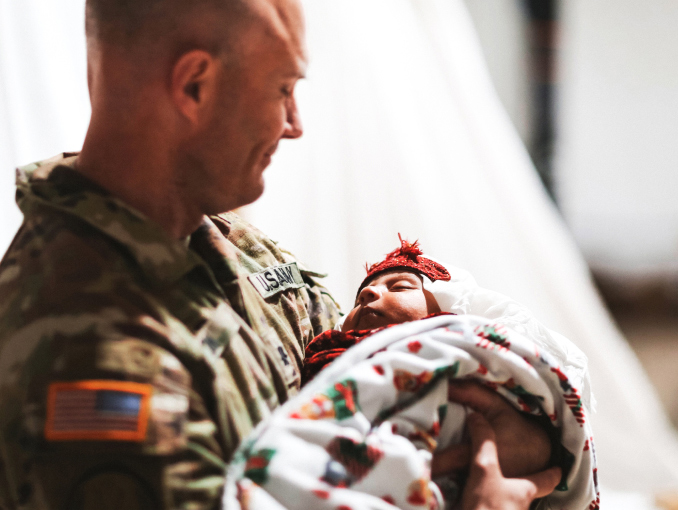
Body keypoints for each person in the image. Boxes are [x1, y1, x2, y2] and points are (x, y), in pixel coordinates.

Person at [0, 2, 561, 510]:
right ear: (195, 85)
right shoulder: (94, 357)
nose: (295, 125)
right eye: (282, 89)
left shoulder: (227, 244)